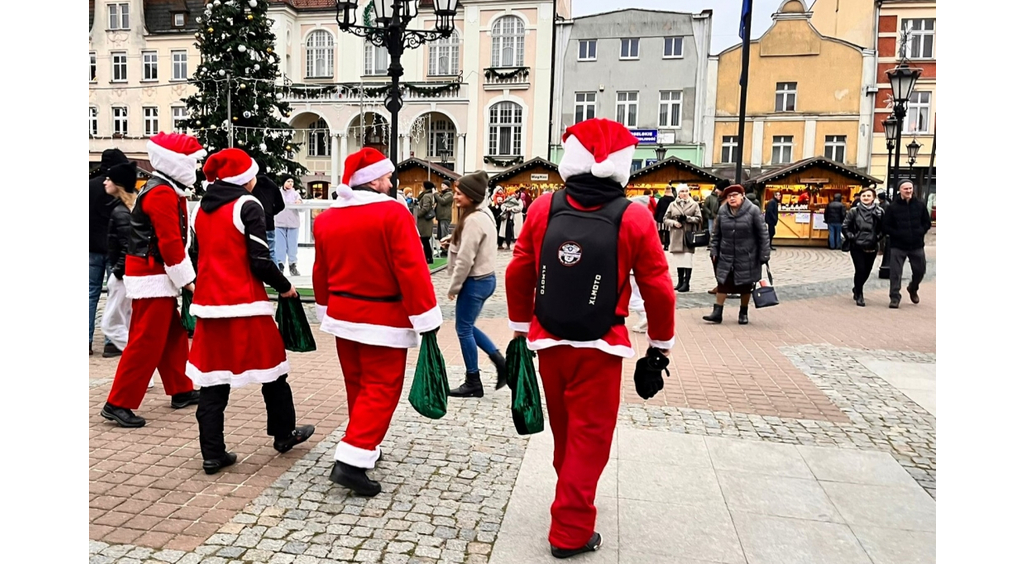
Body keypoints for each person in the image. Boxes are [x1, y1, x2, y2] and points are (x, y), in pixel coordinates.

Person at [506, 119, 676, 558]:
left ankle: (569, 489)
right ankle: (570, 530)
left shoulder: (545, 206)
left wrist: (520, 327)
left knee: (566, 432)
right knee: (591, 436)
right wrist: (660, 345)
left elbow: (519, 268)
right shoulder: (635, 214)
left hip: (548, 338)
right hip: (601, 344)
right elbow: (658, 285)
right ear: (622, 164)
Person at [313, 148, 441, 497]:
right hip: (383, 318)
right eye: (385, 176)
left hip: (342, 316)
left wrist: (324, 307)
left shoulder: (325, 219)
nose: (389, 181)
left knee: (357, 384)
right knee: (382, 387)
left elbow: (319, 271)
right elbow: (411, 270)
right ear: (372, 179)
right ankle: (352, 459)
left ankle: (364, 445)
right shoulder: (393, 214)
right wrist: (426, 316)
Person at [187, 148, 315, 474]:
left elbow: (195, 256)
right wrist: (285, 286)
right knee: (273, 372)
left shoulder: (200, 211)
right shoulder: (248, 205)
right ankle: (284, 434)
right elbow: (259, 259)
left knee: (213, 381)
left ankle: (212, 453)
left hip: (210, 306)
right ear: (247, 177)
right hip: (246, 304)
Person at [100, 132, 204, 428]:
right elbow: (170, 244)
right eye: (191, 162)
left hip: (152, 272)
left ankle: (181, 388)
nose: (194, 168)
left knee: (171, 336)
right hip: (152, 274)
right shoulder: (161, 192)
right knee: (145, 342)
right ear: (177, 163)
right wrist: (188, 280)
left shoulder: (164, 189)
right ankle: (118, 402)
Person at [441, 171, 507, 398]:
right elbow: (478, 240)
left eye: (459, 193)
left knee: (463, 329)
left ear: (471, 195)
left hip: (474, 282)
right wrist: (453, 239)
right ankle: (499, 361)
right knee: (466, 326)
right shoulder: (484, 213)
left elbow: (465, 260)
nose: (455, 197)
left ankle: (473, 380)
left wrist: (454, 287)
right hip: (486, 279)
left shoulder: (473, 220)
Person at [703, 184, 771, 325]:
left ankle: (743, 312)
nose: (732, 198)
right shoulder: (723, 211)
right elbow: (716, 234)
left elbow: (763, 234)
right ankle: (717, 312)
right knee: (723, 283)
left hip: (747, 255)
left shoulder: (753, 210)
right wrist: (713, 250)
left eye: (735, 195)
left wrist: (764, 254)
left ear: (742, 195)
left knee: (745, 285)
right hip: (726, 255)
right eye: (729, 196)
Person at [90, 148, 130, 355]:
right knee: (115, 296)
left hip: (91, 249)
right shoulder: (119, 189)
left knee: (90, 294)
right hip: (114, 250)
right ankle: (111, 342)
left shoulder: (89, 186)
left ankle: (86, 340)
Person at [100, 161, 139, 358]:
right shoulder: (126, 208)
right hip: (127, 272)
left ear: (119, 183)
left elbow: (127, 245)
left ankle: (138, 359)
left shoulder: (121, 211)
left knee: (111, 323)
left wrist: (117, 272)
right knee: (127, 322)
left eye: (109, 179)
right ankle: (142, 370)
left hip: (123, 274)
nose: (105, 182)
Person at [883, 179, 930, 309]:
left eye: (910, 188)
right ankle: (894, 297)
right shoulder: (893, 207)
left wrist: (920, 232)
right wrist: (897, 234)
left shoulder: (920, 205)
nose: (909, 191)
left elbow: (927, 223)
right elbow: (886, 226)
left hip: (916, 245)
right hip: (898, 245)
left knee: (920, 270)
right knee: (895, 273)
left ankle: (913, 288)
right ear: (900, 190)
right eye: (906, 189)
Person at [842, 187, 884, 307]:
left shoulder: (880, 211)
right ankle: (859, 294)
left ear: (873, 197)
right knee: (860, 269)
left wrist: (877, 237)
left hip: (872, 245)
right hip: (857, 245)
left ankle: (857, 288)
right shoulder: (854, 211)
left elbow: (883, 227)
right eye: (864, 196)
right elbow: (845, 226)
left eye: (868, 196)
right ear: (860, 197)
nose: (866, 198)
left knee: (867, 271)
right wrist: (852, 237)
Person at [664, 183, 703, 292]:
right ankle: (680, 281)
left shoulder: (694, 204)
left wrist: (688, 219)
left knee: (687, 259)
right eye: (682, 191)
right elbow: (665, 218)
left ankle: (687, 283)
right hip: (676, 235)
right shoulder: (672, 204)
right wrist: (673, 223)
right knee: (679, 259)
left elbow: (699, 218)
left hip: (688, 235)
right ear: (678, 193)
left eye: (686, 191)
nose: (684, 193)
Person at [251, 159, 286, 264]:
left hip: (253, 222)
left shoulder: (250, 184)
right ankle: (275, 277)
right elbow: (281, 205)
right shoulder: (272, 185)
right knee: (271, 252)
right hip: (269, 223)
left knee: (253, 252)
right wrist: (270, 212)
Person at [275, 177, 303, 276]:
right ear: (284, 182)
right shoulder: (278, 193)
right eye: (288, 181)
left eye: (292, 182)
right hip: (279, 223)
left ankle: (293, 265)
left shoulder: (295, 194)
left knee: (292, 246)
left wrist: (299, 203)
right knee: (280, 246)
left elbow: (301, 208)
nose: (290, 183)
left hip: (293, 224)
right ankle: (280, 265)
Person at [416, 181, 437, 265]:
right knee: (425, 240)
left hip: (424, 221)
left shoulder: (426, 196)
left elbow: (425, 207)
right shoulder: (429, 195)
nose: (421, 187)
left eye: (422, 186)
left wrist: (417, 214)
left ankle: (428, 258)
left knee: (424, 240)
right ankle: (428, 257)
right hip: (425, 221)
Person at [435, 180, 455, 255]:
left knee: (444, 234)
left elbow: (443, 201)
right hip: (441, 217)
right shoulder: (443, 194)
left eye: (443, 185)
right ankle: (443, 248)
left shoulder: (449, 194)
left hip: (445, 217)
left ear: (447, 186)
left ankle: (446, 250)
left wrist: (436, 194)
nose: (441, 186)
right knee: (440, 235)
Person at [653, 185, 676, 250]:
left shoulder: (661, 199)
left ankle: (659, 245)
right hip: (669, 218)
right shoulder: (673, 200)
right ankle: (667, 245)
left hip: (661, 217)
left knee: (660, 232)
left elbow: (657, 209)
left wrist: (655, 217)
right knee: (667, 233)